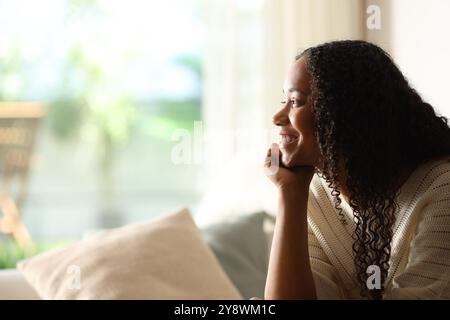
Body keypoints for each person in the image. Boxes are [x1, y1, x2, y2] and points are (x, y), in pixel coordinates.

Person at [264, 40, 450, 300]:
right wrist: (290, 192)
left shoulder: (442, 188)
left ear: (343, 112)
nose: (278, 117)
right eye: (285, 100)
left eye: (295, 101)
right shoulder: (316, 192)